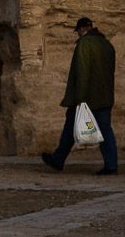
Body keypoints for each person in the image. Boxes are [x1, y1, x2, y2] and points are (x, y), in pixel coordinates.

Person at [41, 16, 118, 175]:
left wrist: (79, 99)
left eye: (78, 31)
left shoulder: (84, 44)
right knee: (105, 131)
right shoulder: (107, 45)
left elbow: (82, 73)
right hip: (104, 97)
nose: (77, 34)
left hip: (86, 98)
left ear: (82, 29)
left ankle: (58, 159)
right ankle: (111, 164)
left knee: (70, 128)